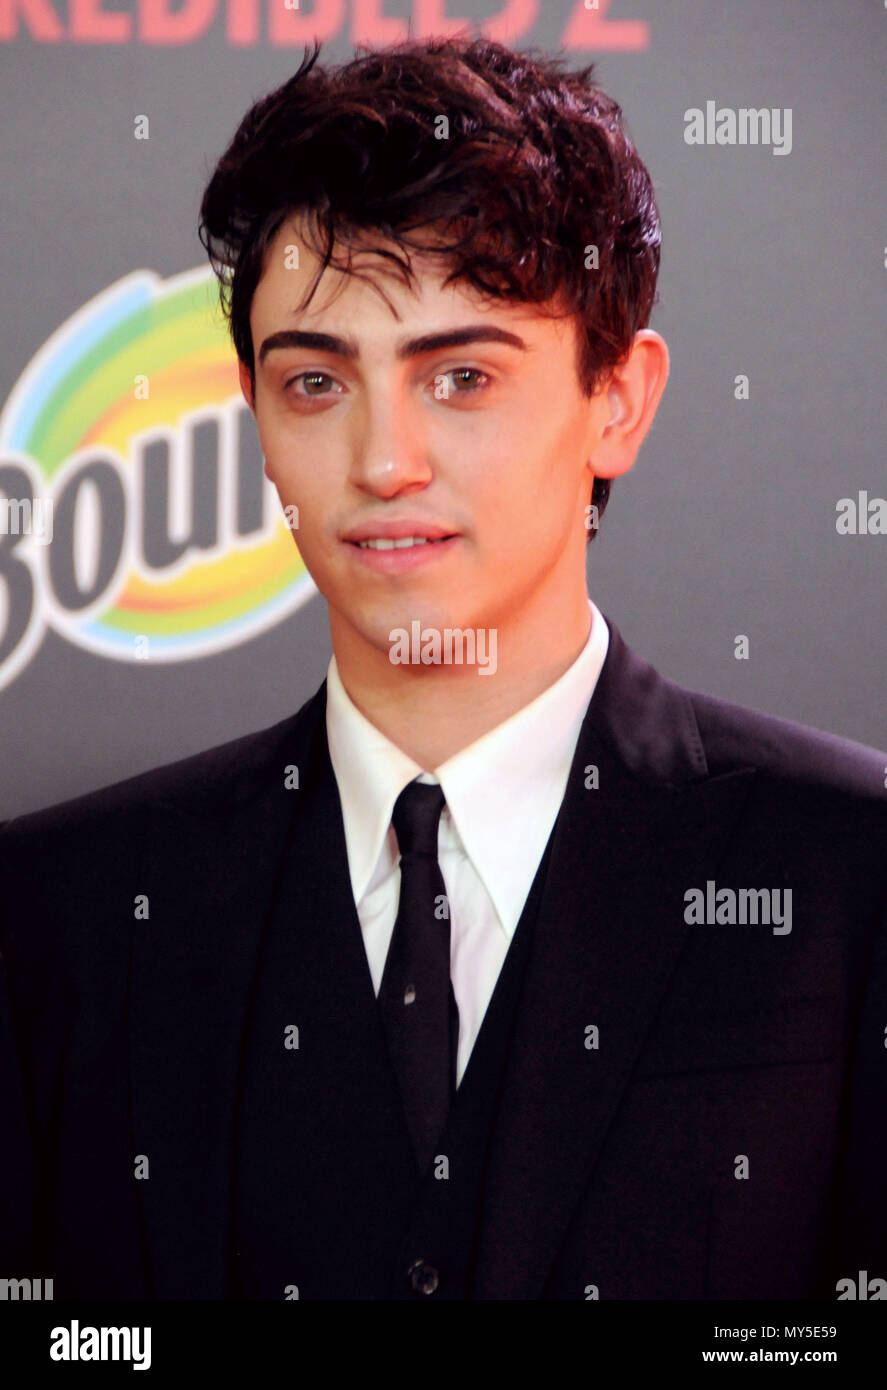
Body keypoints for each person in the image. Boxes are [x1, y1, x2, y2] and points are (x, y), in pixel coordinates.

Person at [1, 35, 885, 1302]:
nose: (383, 461)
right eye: (315, 382)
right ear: (255, 424)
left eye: (460, 376)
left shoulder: (850, 875)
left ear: (616, 402)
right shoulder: (53, 919)